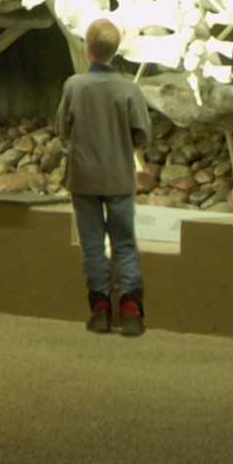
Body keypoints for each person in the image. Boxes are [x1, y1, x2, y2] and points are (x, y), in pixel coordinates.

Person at [56, 17, 152, 336]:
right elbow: (142, 133)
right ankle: (130, 307)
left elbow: (63, 130)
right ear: (116, 50)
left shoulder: (73, 86)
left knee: (93, 246)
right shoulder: (129, 89)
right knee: (124, 243)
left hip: (84, 178)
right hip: (119, 177)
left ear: (87, 48)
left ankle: (100, 307)